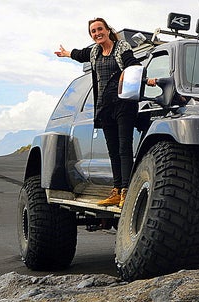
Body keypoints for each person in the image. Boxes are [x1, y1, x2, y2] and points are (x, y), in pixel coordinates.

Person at [55, 17, 141, 207]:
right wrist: (66, 53)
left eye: (100, 29)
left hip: (123, 105)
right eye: (93, 31)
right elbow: (80, 54)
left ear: (108, 30)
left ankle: (126, 191)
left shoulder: (121, 47)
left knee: (124, 148)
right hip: (104, 107)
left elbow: (133, 65)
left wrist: (147, 80)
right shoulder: (95, 52)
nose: (97, 33)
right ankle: (116, 191)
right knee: (113, 151)